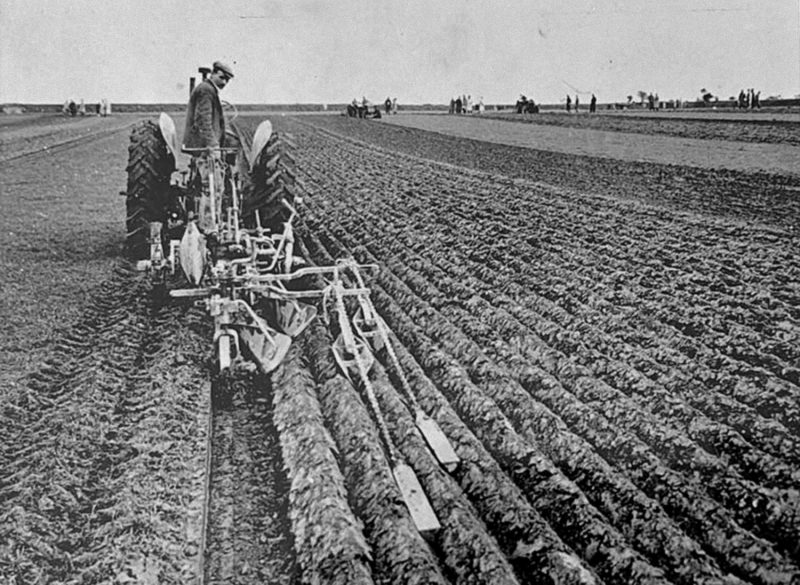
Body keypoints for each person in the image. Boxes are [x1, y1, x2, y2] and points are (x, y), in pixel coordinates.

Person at [183, 60, 234, 235]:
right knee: (213, 186)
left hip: (204, 148)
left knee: (211, 185)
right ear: (214, 73)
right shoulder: (206, 90)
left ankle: (209, 223)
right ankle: (208, 227)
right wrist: (212, 146)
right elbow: (203, 119)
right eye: (222, 77)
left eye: (227, 80)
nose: (224, 82)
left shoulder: (207, 89)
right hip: (205, 149)